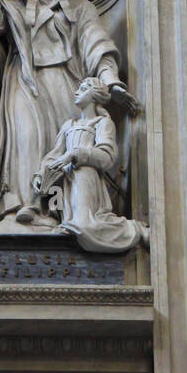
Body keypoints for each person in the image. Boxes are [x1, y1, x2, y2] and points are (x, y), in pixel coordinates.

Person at [0, 0, 135, 227]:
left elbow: (96, 44)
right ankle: (21, 209)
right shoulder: (18, 8)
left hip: (67, 84)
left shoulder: (80, 9)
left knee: (65, 146)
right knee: (26, 141)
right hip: (25, 84)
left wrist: (110, 82)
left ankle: (63, 214)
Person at [35, 77, 148, 253]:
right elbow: (54, 155)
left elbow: (107, 156)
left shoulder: (103, 123)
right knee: (65, 227)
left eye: (83, 88)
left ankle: (134, 229)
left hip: (84, 176)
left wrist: (75, 154)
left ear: (95, 95)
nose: (76, 92)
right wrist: (41, 175)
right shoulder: (68, 125)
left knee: (84, 226)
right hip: (63, 183)